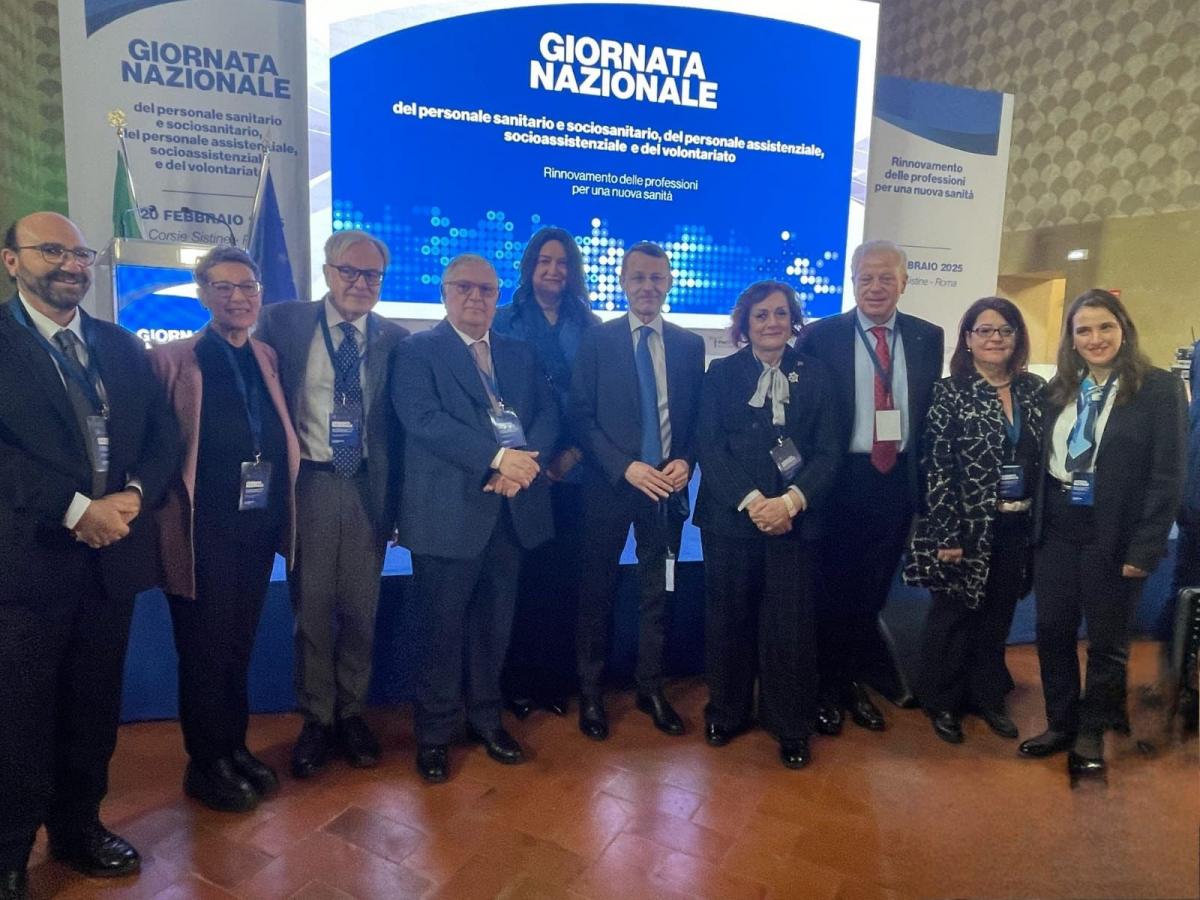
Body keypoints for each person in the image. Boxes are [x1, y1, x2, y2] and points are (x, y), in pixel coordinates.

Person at [0, 212, 179, 898]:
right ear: (12, 261)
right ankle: (10, 848)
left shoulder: (120, 345)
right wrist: (77, 509)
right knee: (19, 714)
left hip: (111, 563)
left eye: (81, 254)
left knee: (92, 709)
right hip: (29, 564)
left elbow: (162, 436)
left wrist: (133, 496)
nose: (71, 265)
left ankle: (79, 828)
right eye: (52, 250)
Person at [392, 253, 558, 783]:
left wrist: (522, 465)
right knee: (439, 632)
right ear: (444, 292)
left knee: (493, 627)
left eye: (486, 289)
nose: (475, 297)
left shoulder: (519, 352)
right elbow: (423, 419)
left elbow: (549, 413)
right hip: (447, 513)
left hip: (510, 510)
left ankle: (487, 720)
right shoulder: (417, 350)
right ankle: (434, 735)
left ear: (497, 296)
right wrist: (497, 458)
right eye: (463, 287)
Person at [149, 246, 300, 812]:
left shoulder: (267, 356)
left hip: (256, 529)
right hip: (201, 532)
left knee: (238, 646)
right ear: (202, 294)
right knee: (204, 651)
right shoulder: (172, 361)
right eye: (224, 287)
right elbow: (157, 449)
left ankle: (234, 748)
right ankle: (205, 763)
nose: (239, 297)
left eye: (248, 286)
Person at [254, 230, 409, 779]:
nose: (361, 283)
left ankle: (352, 713)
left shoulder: (395, 338)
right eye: (350, 271)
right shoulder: (283, 323)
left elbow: (400, 431)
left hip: (368, 486)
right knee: (313, 609)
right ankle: (317, 717)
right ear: (327, 272)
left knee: (361, 610)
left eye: (372, 275)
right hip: (311, 485)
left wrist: (399, 506)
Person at [1019, 289, 1186, 779]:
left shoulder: (1158, 389)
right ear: (1071, 339)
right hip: (1057, 526)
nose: (1095, 338)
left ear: (1124, 330)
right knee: (1052, 630)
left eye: (1105, 327)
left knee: (1108, 641)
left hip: (1115, 531)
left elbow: (1167, 475)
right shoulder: (1057, 390)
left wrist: (1146, 547)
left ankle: (1091, 732)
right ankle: (1061, 723)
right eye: (1084, 330)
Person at [797, 239, 944, 734]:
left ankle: (852, 680)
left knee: (873, 591)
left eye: (886, 277)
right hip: (838, 479)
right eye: (866, 277)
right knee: (832, 589)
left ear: (904, 283)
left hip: (896, 480)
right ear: (853, 282)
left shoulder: (927, 337)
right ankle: (825, 688)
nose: (875, 287)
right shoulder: (821, 336)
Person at [694, 281, 840, 768]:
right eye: (760, 315)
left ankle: (790, 725)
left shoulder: (817, 375)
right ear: (745, 323)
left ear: (793, 320)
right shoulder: (721, 374)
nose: (771, 322)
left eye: (780, 313)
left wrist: (790, 503)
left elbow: (829, 451)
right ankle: (727, 712)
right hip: (731, 519)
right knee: (728, 619)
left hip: (796, 522)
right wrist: (755, 501)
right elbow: (709, 446)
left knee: (790, 626)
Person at [569, 241, 706, 740]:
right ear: (623, 283)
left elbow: (697, 419)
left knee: (658, 590)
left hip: (666, 489)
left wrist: (686, 459)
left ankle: (651, 688)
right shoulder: (596, 341)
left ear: (669, 283)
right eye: (639, 277)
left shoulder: (690, 346)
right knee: (597, 592)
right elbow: (580, 416)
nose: (648, 286)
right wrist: (624, 467)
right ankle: (591, 692)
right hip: (611, 485)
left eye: (657, 277)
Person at [904, 297, 1046, 744]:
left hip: (1016, 525)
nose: (995, 338)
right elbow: (937, 467)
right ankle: (942, 701)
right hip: (964, 526)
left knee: (997, 616)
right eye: (984, 330)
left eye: (1005, 330)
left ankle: (987, 698)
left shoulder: (1034, 389)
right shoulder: (950, 392)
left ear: (1017, 338)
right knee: (953, 615)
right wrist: (947, 534)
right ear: (967, 338)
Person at [492, 226, 600, 718]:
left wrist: (571, 455)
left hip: (575, 470)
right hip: (520, 466)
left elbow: (599, 398)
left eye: (562, 262)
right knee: (520, 579)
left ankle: (554, 681)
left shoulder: (592, 326)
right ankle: (514, 681)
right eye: (544, 261)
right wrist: (532, 458)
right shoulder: (503, 321)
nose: (554, 270)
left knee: (563, 580)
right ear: (529, 266)